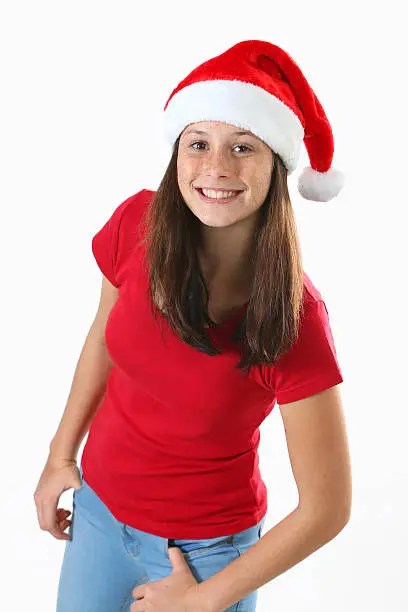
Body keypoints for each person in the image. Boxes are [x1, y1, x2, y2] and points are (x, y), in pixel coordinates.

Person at [34, 40, 349, 612]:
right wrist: (61, 454)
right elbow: (102, 339)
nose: (216, 168)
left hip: (207, 558)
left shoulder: (294, 316)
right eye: (198, 143)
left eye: (243, 147)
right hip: (100, 517)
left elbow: (327, 507)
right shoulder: (136, 224)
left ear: (276, 165)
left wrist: (205, 600)